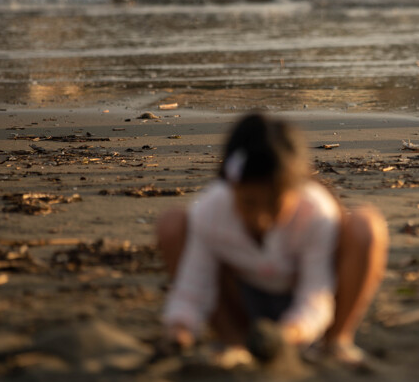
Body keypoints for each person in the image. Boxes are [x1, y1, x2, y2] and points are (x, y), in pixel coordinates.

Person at [156, 112, 388, 367]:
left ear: (296, 188)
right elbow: (192, 288)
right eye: (248, 203)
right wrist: (179, 330)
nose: (261, 219)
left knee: (367, 226)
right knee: (172, 224)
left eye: (274, 204)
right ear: (231, 187)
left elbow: (315, 296)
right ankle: (234, 342)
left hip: (302, 304)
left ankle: (335, 342)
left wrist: (286, 335)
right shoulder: (212, 208)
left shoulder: (316, 210)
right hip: (242, 298)